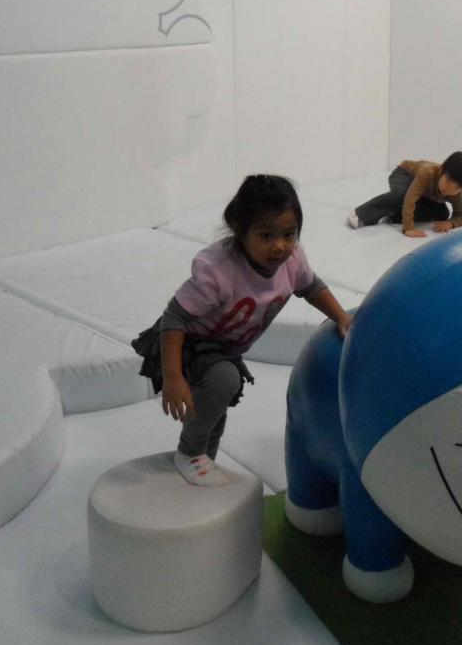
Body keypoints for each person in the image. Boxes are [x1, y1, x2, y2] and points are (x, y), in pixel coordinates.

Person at [134, 175, 352, 486]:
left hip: (222, 348)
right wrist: (173, 377)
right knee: (224, 380)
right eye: (265, 235)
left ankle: (202, 460)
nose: (279, 246)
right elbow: (174, 318)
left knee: (216, 412)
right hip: (187, 341)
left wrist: (341, 316)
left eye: (289, 234)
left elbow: (311, 287)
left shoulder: (292, 260)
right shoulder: (218, 270)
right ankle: (190, 452)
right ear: (239, 229)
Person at [346, 152, 462, 238]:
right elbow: (410, 199)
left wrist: (450, 223)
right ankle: (360, 214)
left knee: (442, 213)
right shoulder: (428, 173)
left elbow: (461, 215)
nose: (449, 189)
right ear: (442, 171)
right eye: (448, 181)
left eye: (457, 188)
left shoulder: (455, 193)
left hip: (424, 193)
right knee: (402, 195)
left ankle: (394, 216)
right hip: (405, 174)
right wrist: (408, 228)